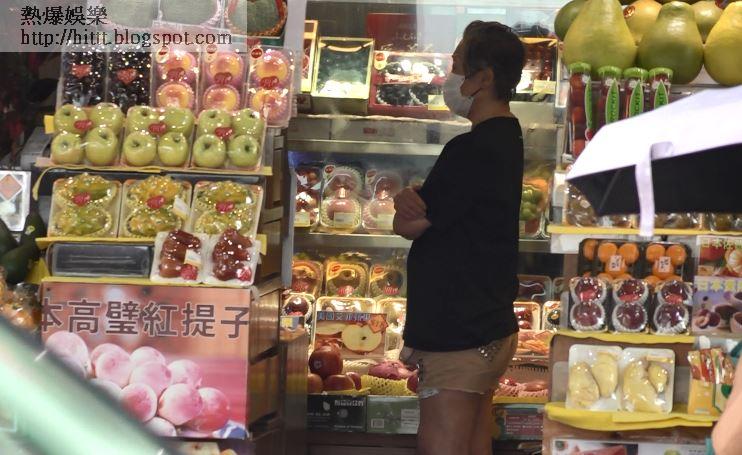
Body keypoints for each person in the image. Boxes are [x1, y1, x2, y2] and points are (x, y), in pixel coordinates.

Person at [393, 21, 526, 455]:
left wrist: (406, 204)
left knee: (444, 442)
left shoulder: (471, 149)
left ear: (482, 78)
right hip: (487, 323)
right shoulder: (508, 136)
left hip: (458, 332)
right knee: (473, 441)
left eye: (456, 66)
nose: (449, 77)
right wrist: (416, 201)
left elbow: (410, 225)